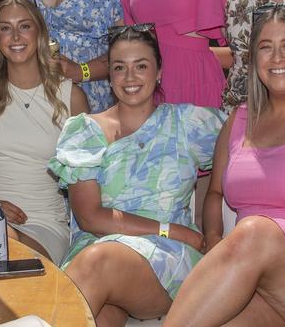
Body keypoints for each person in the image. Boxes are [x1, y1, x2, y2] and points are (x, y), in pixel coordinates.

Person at [164, 5, 285, 326]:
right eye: (265, 47)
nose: (276, 57)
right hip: (256, 277)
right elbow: (215, 192)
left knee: (256, 231)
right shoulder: (239, 120)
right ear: (253, 61)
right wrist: (217, 238)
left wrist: (272, 234)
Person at [49, 26, 225, 326]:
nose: (130, 78)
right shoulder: (84, 130)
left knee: (97, 262)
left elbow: (251, 143)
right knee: (98, 317)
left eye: (141, 66)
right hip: (100, 244)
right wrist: (172, 228)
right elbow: (90, 218)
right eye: (119, 68)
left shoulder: (188, 123)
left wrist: (213, 234)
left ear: (159, 72)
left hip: (164, 259)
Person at [0, 0, 89, 264]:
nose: (16, 36)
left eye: (25, 26)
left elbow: (88, 181)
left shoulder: (71, 98)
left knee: (2, 244)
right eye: (5, 28)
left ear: (40, 32)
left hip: (42, 224)